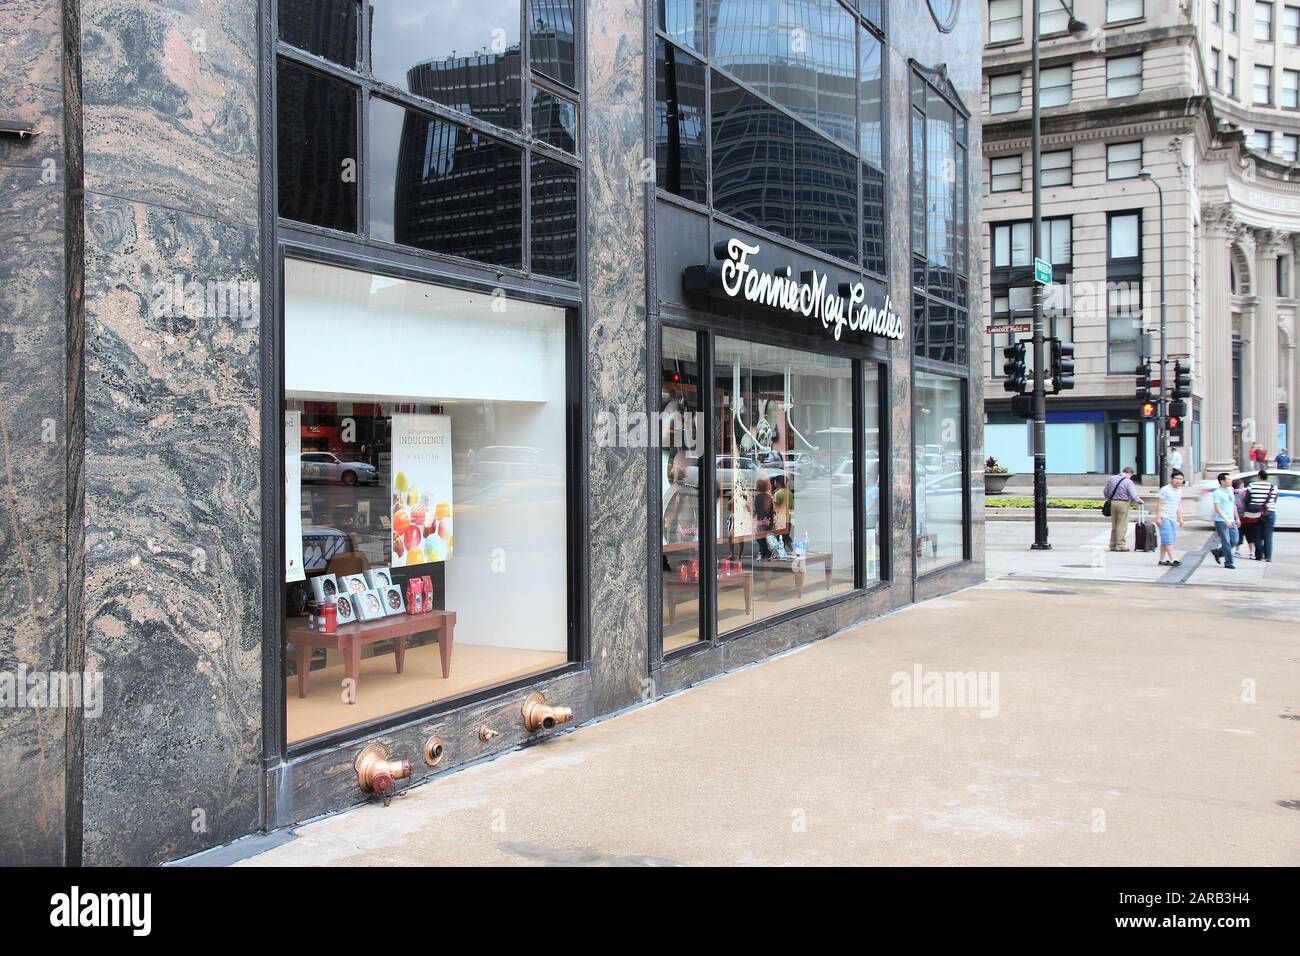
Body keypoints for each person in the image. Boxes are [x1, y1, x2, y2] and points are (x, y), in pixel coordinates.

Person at [1102, 466, 1143, 551]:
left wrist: (1109, 498)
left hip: (1113, 503)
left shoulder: (1112, 479)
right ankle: (1120, 545)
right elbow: (1133, 494)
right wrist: (1139, 501)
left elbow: (1105, 491)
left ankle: (1112, 545)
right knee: (1122, 525)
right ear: (1129, 473)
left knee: (1114, 525)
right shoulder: (1128, 481)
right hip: (1123, 503)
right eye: (1131, 475)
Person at [1244, 470, 1279, 562]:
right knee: (1268, 535)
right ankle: (1268, 557)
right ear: (1267, 477)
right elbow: (1275, 500)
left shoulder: (1252, 486)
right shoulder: (1273, 487)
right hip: (1270, 512)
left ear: (1258, 476)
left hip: (1256, 513)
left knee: (1257, 534)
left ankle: (1259, 555)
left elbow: (1247, 499)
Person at [1154, 469, 1185, 567]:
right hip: (1164, 516)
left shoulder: (1179, 491)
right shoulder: (1165, 489)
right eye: (1176, 478)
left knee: (1166, 539)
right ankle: (1172, 559)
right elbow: (1159, 504)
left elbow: (1178, 505)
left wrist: (1180, 518)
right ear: (1172, 479)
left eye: (1180, 479)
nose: (1178, 481)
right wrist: (1158, 518)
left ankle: (1162, 559)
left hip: (1173, 517)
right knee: (1168, 538)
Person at [1209, 472, 1238, 569]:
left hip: (1231, 519)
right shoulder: (1217, 493)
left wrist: (1236, 518)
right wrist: (1225, 519)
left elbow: (1233, 505)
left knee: (1234, 540)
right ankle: (1229, 562)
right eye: (1228, 479)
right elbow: (1217, 508)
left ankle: (1217, 552)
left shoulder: (1230, 490)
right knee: (1226, 541)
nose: (1231, 481)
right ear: (1222, 481)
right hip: (1221, 520)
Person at [1231, 478, 1250, 558]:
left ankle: (1236, 550)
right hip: (1243, 516)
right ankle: (1248, 551)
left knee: (1237, 533)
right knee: (1246, 534)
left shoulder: (1231, 493)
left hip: (1233, 517)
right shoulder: (1244, 493)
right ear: (1241, 485)